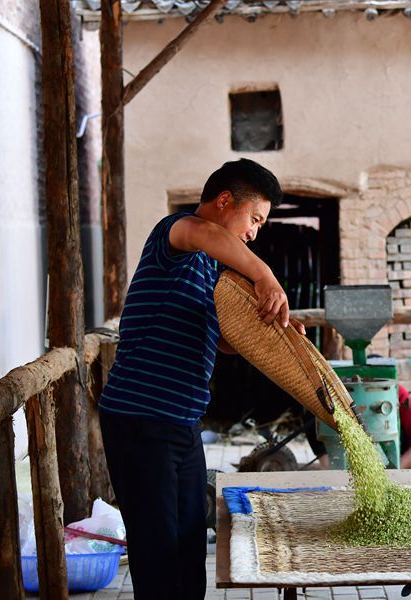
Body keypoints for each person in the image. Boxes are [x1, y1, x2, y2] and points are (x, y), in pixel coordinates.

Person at [99, 158, 303, 599]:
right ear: (224, 200)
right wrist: (265, 275)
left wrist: (280, 336)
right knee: (158, 555)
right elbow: (207, 233)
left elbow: (226, 339)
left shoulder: (212, 271)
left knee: (191, 546)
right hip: (139, 420)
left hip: (183, 424)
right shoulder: (177, 234)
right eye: (254, 219)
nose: (254, 233)